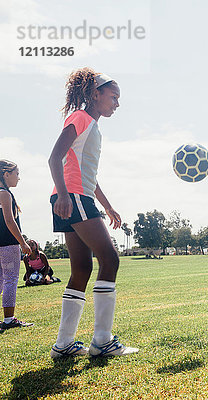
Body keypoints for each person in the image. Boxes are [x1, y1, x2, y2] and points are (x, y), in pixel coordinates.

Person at [48, 68, 138, 357]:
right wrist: (64, 195)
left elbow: (88, 175)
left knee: (83, 269)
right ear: (95, 94)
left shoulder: (91, 126)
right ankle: (102, 341)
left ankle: (64, 345)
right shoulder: (81, 118)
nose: (117, 103)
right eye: (113, 97)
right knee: (110, 257)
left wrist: (107, 205)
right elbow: (54, 157)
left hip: (75, 195)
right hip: (72, 197)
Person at [0, 160, 33, 332]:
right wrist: (23, 242)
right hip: (8, 244)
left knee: (0, 281)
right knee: (11, 279)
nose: (18, 178)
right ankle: (9, 319)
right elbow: (10, 221)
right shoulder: (4, 194)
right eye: (16, 173)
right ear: (6, 174)